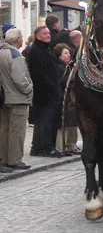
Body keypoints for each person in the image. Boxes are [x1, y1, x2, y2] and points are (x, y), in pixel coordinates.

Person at [0, 28, 33, 172]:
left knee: (4, 130)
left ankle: (4, 159)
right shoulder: (15, 55)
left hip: (4, 98)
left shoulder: (1, 52)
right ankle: (14, 160)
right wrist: (29, 89)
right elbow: (20, 79)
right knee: (17, 131)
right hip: (17, 98)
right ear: (18, 39)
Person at [28, 26, 63, 158]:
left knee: (49, 120)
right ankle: (43, 147)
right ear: (38, 36)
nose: (49, 35)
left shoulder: (46, 48)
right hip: (44, 93)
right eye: (45, 33)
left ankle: (46, 146)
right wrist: (51, 85)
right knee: (44, 121)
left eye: (49, 33)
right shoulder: (36, 51)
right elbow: (39, 74)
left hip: (51, 92)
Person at [53, 43, 80, 155]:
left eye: (69, 53)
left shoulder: (68, 66)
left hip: (71, 98)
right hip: (62, 97)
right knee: (64, 123)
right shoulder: (59, 66)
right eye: (65, 53)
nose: (68, 55)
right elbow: (63, 81)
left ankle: (71, 145)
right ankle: (61, 147)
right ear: (59, 55)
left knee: (72, 122)